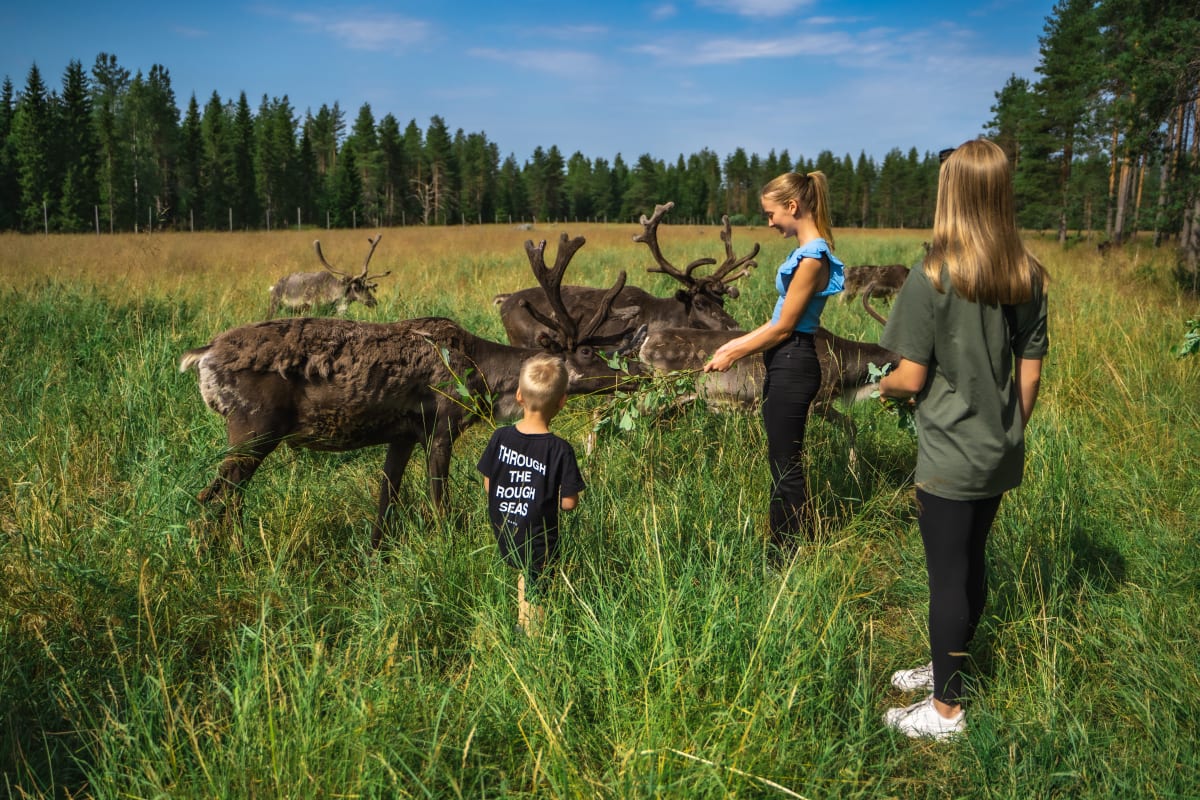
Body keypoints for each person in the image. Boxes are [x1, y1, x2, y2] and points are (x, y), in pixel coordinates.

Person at [878, 138, 1049, 740]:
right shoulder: (1025, 274)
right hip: (999, 449)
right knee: (971, 564)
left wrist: (880, 389)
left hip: (949, 453)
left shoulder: (931, 278)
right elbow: (1030, 369)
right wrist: (1007, 429)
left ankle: (947, 712)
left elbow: (910, 377)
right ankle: (947, 665)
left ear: (952, 194)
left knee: (946, 577)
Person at [704, 171, 844, 552]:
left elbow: (783, 328)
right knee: (781, 462)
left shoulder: (813, 257)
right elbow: (776, 321)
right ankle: (791, 543)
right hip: (786, 360)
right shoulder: (805, 253)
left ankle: (787, 553)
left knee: (786, 468)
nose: (769, 222)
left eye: (771, 214)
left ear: (792, 207)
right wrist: (729, 347)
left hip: (794, 362)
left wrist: (734, 352)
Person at [477, 353, 584, 636]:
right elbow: (569, 503)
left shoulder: (500, 438)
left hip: (505, 526)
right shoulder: (560, 449)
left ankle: (521, 622)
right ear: (562, 401)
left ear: (520, 395)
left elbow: (489, 485)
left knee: (526, 573)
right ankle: (532, 639)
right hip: (539, 533)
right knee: (537, 582)